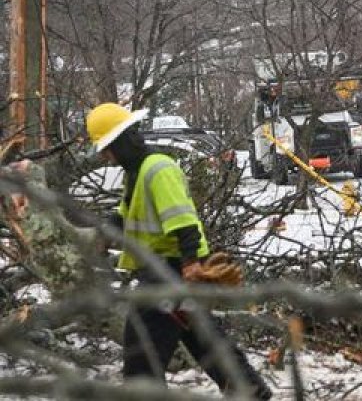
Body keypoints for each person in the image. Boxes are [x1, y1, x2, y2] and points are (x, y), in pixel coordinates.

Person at [85, 103, 272, 399]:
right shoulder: (136, 173)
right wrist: (102, 237)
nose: (105, 156)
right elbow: (124, 215)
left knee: (141, 353)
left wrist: (190, 265)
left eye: (106, 148)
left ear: (120, 142)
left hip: (168, 274)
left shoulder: (158, 169)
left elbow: (183, 222)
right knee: (203, 339)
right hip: (169, 272)